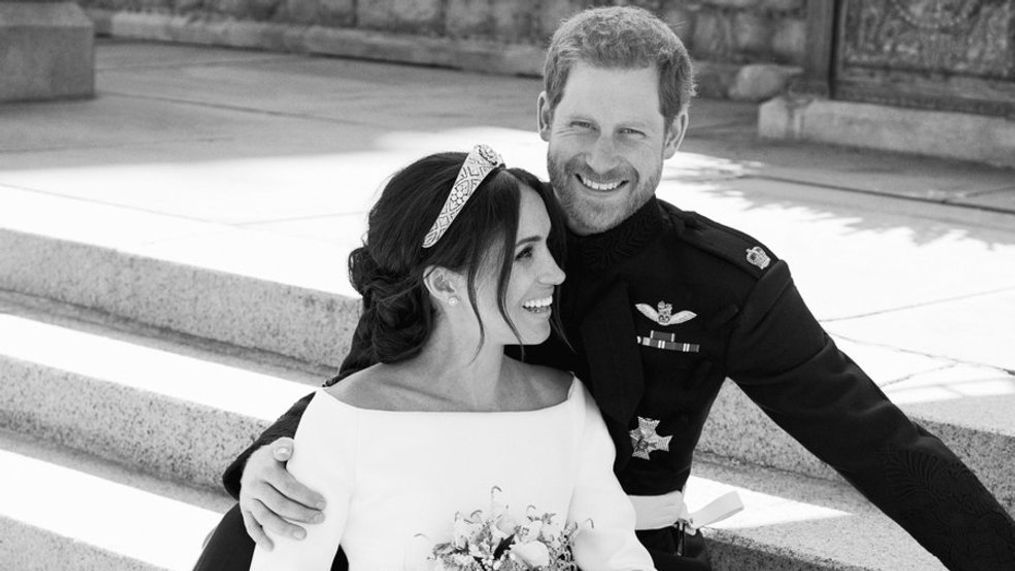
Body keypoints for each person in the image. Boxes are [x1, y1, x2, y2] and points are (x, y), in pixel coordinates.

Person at [211, 6, 1015, 571]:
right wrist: (263, 460)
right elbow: (377, 375)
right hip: (440, 541)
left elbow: (874, 441)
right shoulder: (475, 238)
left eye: (631, 131)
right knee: (270, 519)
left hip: (625, 547)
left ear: (672, 134)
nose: (601, 157)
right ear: (542, 115)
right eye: (581, 127)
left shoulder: (725, 280)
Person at [195, 147, 655, 570]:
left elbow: (617, 556)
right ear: (444, 284)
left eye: (549, 247)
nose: (555, 272)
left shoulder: (567, 406)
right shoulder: (346, 421)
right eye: (525, 254)